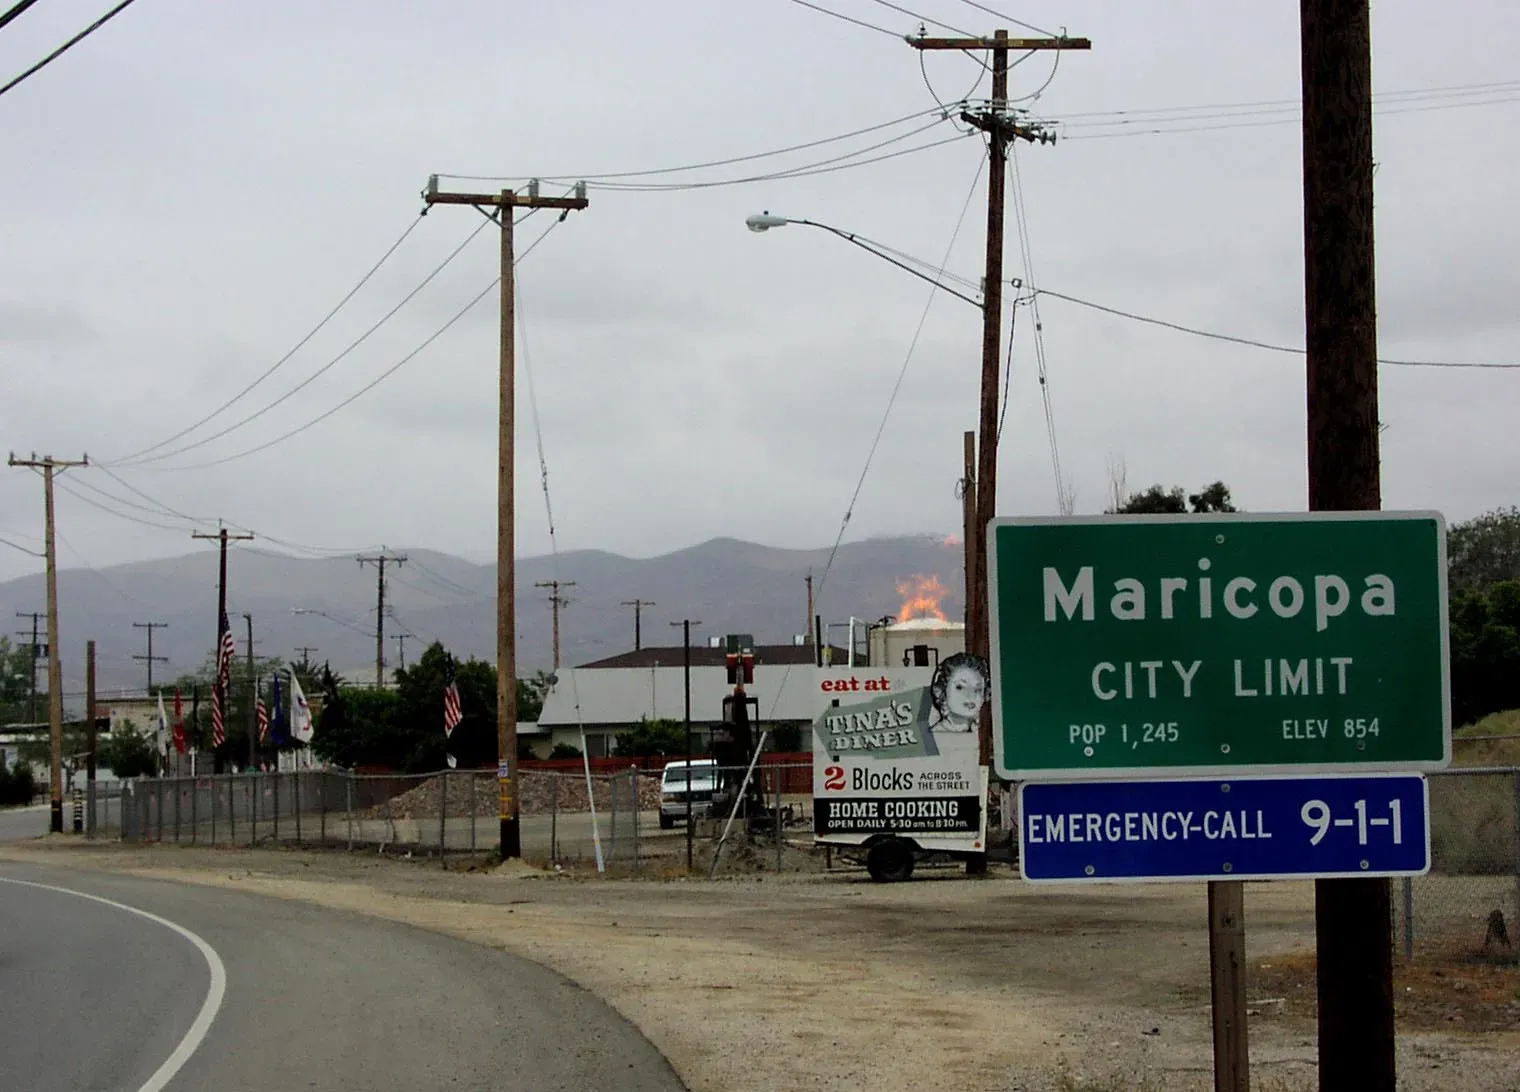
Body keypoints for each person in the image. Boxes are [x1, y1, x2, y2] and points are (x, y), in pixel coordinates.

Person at [926, 652, 989, 733]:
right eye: (960, 687)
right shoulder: (934, 738)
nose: (970, 695)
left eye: (977, 689)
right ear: (941, 692)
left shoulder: (981, 736)